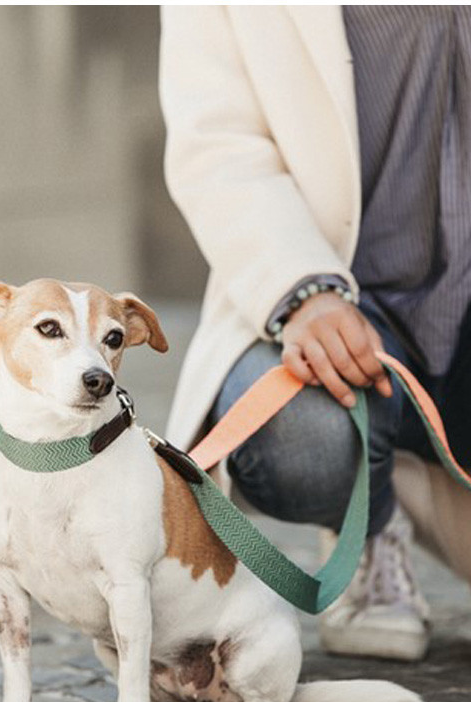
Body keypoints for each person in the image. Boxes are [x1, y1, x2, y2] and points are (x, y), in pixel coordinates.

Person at [159, 6, 471, 661]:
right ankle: (370, 519)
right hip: (332, 292)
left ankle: (402, 469)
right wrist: (304, 290)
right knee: (299, 438)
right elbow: (217, 143)